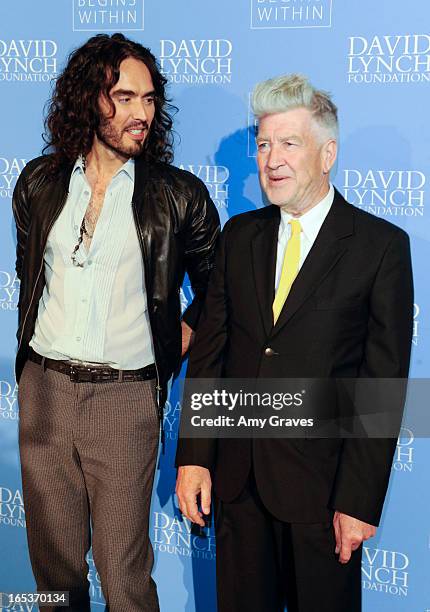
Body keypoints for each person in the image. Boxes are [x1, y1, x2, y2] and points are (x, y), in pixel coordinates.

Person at [175, 74, 413, 612]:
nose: (272, 159)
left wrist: (357, 502)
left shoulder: (380, 248)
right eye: (263, 144)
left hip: (323, 495)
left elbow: (382, 388)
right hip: (237, 486)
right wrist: (194, 458)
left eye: (289, 143)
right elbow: (211, 353)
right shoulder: (239, 237)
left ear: (327, 153)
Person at [13, 33, 219, 612]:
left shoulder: (180, 196)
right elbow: (35, 276)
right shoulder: (37, 182)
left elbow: (218, 293)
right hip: (45, 392)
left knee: (123, 572)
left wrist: (187, 328)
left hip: (125, 400)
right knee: (53, 573)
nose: (141, 114)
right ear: (88, 101)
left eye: (149, 100)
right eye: (124, 98)